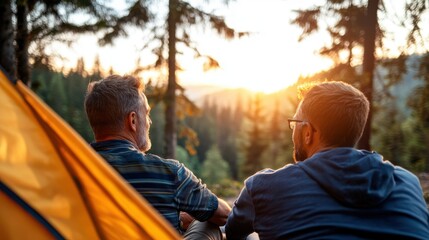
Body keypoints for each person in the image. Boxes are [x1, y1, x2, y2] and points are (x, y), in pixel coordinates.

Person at [225, 81, 429, 239]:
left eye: (295, 123)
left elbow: (233, 234)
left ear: (307, 132)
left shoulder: (264, 187)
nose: (292, 129)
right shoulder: (408, 183)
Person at [84, 75, 230, 239]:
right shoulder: (169, 173)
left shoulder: (75, 169)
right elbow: (224, 215)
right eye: (146, 114)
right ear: (132, 120)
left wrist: (179, 218)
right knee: (207, 224)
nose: (149, 122)